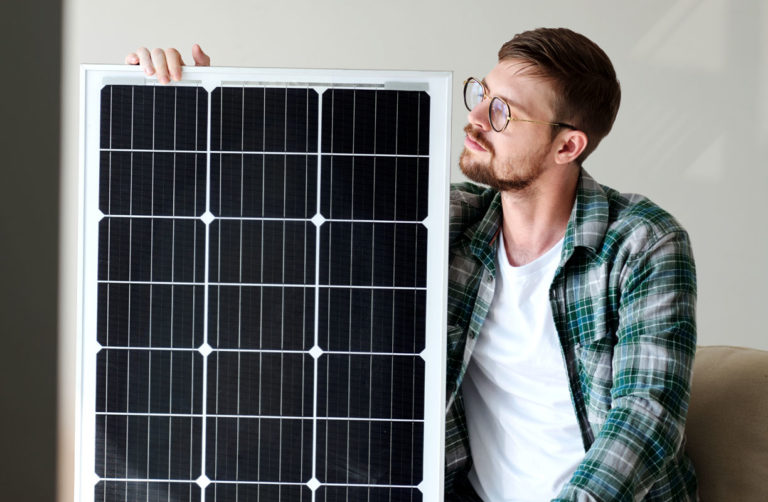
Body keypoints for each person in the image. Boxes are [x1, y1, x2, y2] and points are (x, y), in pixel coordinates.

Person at [128, 28, 698, 501]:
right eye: (482, 92)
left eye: (503, 111)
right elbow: (304, 208)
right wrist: (202, 101)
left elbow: (646, 418)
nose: (475, 117)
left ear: (567, 147)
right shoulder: (447, 223)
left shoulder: (642, 243)